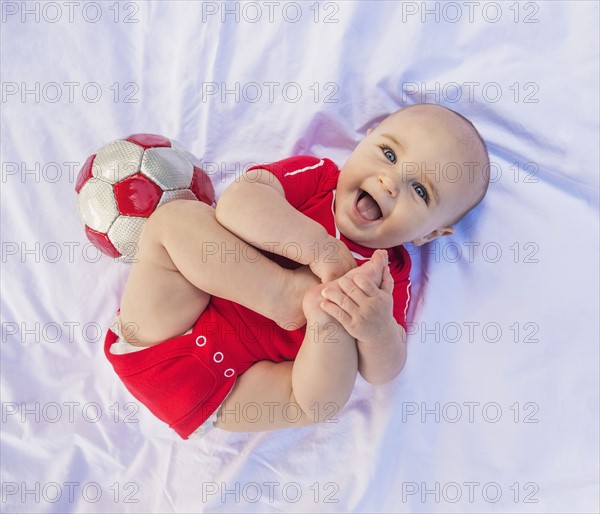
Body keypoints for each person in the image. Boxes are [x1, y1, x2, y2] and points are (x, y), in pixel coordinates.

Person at [103, 103, 489, 438]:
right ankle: (284, 295)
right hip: (165, 329)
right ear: (365, 139)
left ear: (430, 234)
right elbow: (237, 203)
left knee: (322, 397)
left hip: (241, 390)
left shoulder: (385, 276)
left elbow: (383, 372)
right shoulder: (319, 178)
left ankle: (320, 316)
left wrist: (374, 328)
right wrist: (318, 249)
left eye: (421, 191)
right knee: (175, 222)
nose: (390, 182)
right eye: (388, 153)